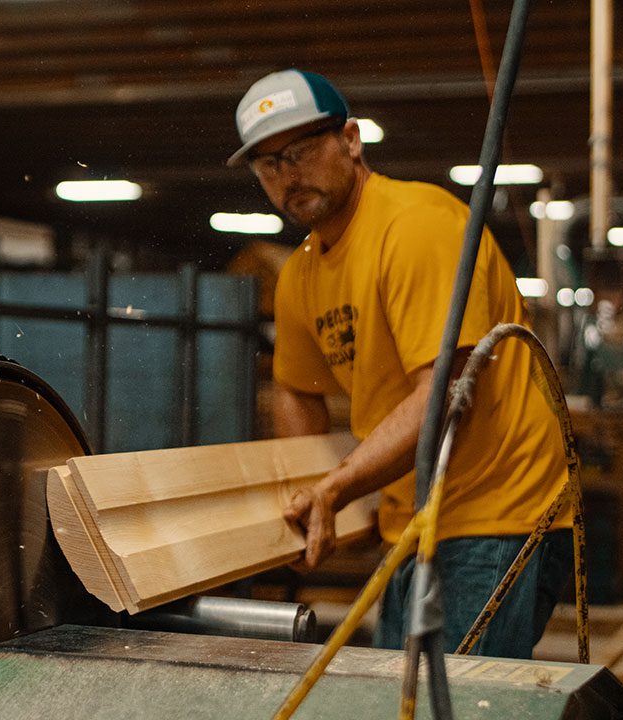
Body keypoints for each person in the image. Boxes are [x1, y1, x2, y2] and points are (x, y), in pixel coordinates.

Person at [227, 69, 573, 658]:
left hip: (498, 513)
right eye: (268, 164)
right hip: (417, 520)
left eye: (301, 151)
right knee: (398, 691)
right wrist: (309, 497)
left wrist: (337, 489)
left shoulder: (416, 226)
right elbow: (295, 389)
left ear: (351, 140)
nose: (288, 175)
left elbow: (444, 393)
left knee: (450, 697)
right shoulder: (300, 275)